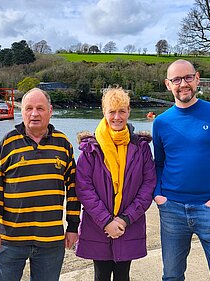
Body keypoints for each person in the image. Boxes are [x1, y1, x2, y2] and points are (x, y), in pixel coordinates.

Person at [152, 60, 210, 281]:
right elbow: (158, 164)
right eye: (176, 80)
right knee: (172, 276)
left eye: (188, 78)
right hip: (171, 209)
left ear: (197, 78)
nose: (183, 84)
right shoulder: (161, 122)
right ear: (168, 84)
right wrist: (158, 195)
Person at [0, 88, 81, 281]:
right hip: (10, 239)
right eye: (29, 108)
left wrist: (73, 226)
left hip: (50, 240)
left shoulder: (63, 144)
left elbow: (74, 188)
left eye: (40, 108)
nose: (34, 113)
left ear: (50, 111)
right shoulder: (9, 142)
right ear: (22, 112)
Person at [75, 87, 156, 281]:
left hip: (129, 224)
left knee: (123, 275)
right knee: (101, 275)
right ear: (104, 112)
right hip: (97, 225)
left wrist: (124, 219)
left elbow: (148, 185)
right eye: (112, 111)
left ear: (128, 111)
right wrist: (106, 221)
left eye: (122, 111)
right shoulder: (91, 148)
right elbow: (84, 188)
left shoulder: (141, 147)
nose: (117, 117)